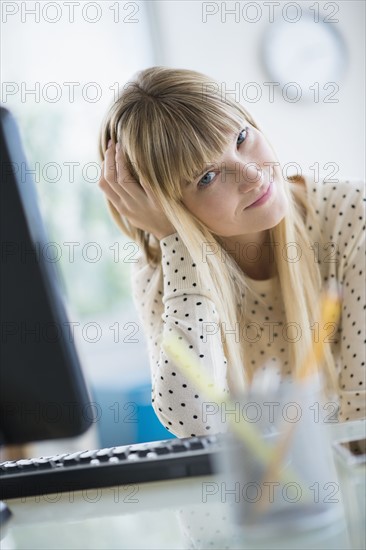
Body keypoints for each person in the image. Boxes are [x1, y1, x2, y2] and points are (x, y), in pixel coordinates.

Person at [98, 66, 365, 438]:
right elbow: (195, 424)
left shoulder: (352, 214)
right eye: (207, 177)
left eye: (241, 137)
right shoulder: (163, 273)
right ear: (167, 205)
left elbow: (362, 417)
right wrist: (179, 243)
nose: (253, 175)